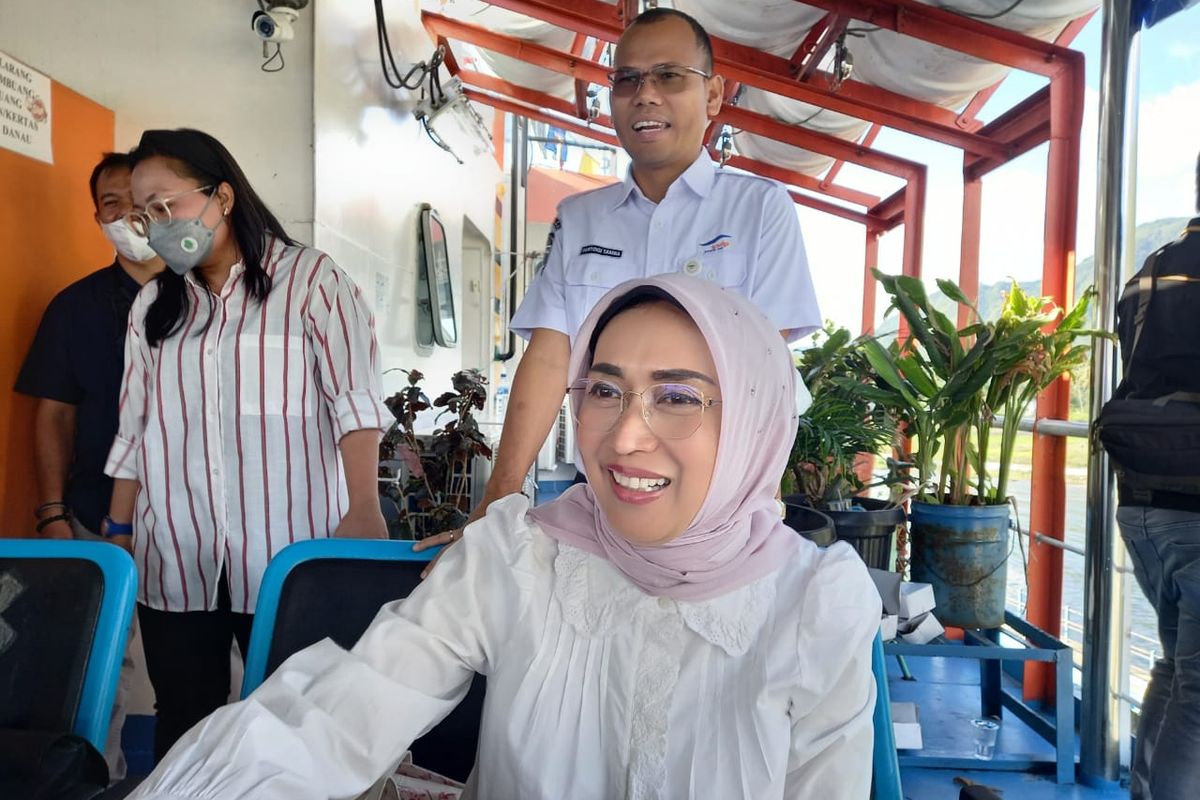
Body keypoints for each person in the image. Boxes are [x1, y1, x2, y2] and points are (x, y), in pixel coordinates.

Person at [125, 273, 881, 800]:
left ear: (753, 418)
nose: (625, 437)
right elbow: (340, 715)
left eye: (678, 397)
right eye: (604, 390)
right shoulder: (520, 557)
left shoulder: (811, 607)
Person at [416, 8, 820, 569]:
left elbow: (765, 372)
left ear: (713, 95)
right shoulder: (581, 218)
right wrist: (497, 501)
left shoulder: (759, 210)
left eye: (669, 76)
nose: (645, 95)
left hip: (720, 510)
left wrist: (751, 503)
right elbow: (549, 356)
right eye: (627, 80)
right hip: (611, 494)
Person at [102, 128, 390, 762]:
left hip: (289, 554)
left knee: (300, 716)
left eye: (165, 205)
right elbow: (134, 431)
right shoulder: (153, 307)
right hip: (175, 554)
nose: (152, 225)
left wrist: (364, 508)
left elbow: (355, 402)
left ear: (222, 197)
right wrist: (118, 532)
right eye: (140, 212)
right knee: (184, 719)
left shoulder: (311, 283)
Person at [13, 150, 164, 780]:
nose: (126, 214)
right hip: (96, 520)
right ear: (94, 214)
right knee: (95, 667)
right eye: (111, 203)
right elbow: (52, 416)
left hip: (203, 525)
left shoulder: (213, 301)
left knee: (220, 666)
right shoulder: (73, 308)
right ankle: (92, 783)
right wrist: (51, 516)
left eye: (141, 199)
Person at [1111, 153, 1200, 800]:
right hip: (1197, 505)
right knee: (1198, 698)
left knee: (1174, 668)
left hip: (1140, 501)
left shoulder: (1148, 272)